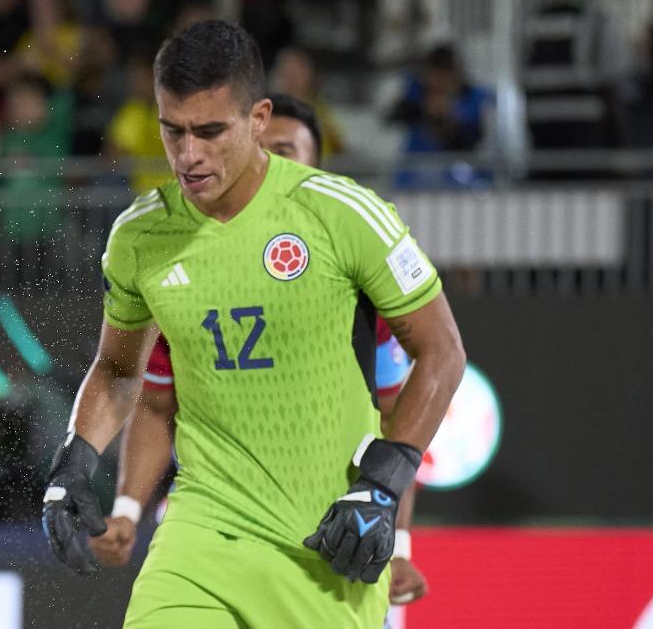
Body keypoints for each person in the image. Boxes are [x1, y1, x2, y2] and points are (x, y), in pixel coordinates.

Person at [40, 21, 466, 628]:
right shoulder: (140, 236)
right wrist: (73, 463)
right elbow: (116, 369)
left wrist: (383, 485)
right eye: (173, 130)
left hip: (325, 545)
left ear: (259, 118)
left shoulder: (340, 213)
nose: (189, 154)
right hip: (201, 535)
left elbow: (441, 353)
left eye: (210, 131)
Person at [88, 93, 433, 610]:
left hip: (323, 544)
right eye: (263, 150)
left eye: (288, 151)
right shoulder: (184, 279)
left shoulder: (360, 289)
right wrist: (127, 509)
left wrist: (394, 532)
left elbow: (395, 420)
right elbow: (155, 405)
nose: (270, 164)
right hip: (207, 534)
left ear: (315, 164)